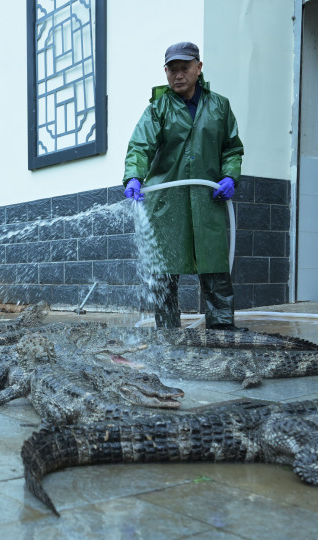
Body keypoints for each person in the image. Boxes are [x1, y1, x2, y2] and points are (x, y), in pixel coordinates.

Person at [123, 41, 245, 330]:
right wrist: (134, 177)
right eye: (172, 69)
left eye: (185, 68)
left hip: (208, 201)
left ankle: (222, 335)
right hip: (167, 206)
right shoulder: (157, 109)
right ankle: (169, 340)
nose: (178, 75)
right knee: (164, 277)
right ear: (166, 72)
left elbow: (231, 149)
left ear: (199, 68)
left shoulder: (219, 107)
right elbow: (140, 147)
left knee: (216, 274)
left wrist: (230, 175)